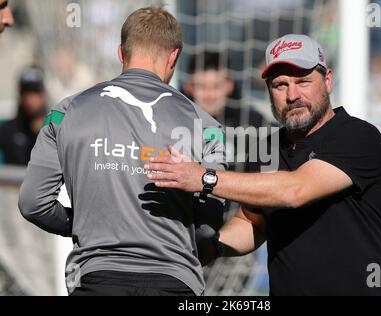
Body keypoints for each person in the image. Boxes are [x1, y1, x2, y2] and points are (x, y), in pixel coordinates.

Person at [145, 34, 381, 296]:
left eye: (303, 81)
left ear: (327, 81)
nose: (292, 95)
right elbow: (253, 222)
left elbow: (294, 191)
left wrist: (204, 178)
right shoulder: (267, 148)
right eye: (280, 85)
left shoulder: (357, 135)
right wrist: (213, 245)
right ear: (268, 89)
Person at [18, 6, 226, 296]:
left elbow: (32, 202)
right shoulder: (207, 126)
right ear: (174, 57)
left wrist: (85, 225)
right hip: (174, 282)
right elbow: (209, 222)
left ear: (120, 53)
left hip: (94, 278)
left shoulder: (65, 112)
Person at [184, 51, 268, 129]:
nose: (210, 95)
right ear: (188, 87)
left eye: (216, 86)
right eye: (202, 86)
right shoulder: (175, 122)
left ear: (229, 85)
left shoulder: (253, 123)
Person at [0, 67, 47, 165]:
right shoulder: (8, 131)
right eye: (26, 93)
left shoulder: (57, 131)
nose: (29, 99)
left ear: (43, 95)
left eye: (34, 93)